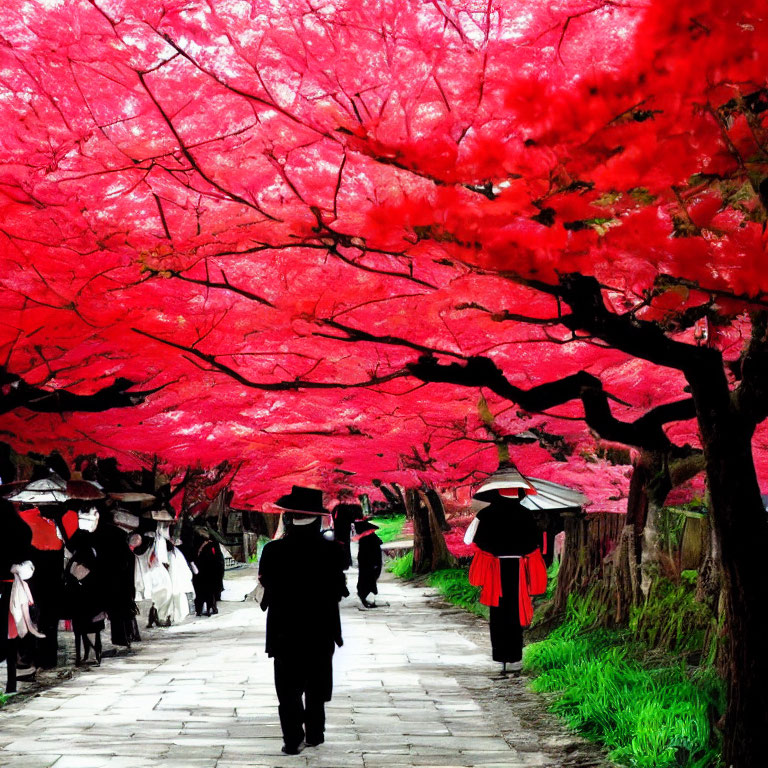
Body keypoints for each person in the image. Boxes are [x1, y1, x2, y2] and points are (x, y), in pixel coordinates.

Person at [258, 486, 348, 755]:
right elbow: (339, 591)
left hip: (284, 629)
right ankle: (315, 733)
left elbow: (265, 589)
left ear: (289, 517)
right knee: (316, 684)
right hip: (320, 627)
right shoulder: (332, 551)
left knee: (287, 688)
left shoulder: (273, 551)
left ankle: (292, 738)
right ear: (317, 518)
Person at [465, 466, 548, 674]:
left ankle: (501, 656)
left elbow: (474, 541)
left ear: (494, 492)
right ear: (519, 493)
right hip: (519, 567)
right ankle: (515, 657)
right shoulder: (527, 514)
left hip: (495, 567)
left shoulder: (485, 514)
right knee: (516, 610)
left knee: (498, 612)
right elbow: (535, 544)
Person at [354, 519, 382, 608]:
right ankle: (365, 597)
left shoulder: (367, 538)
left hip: (368, 563)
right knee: (368, 580)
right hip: (369, 563)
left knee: (368, 580)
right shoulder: (367, 538)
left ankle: (365, 597)